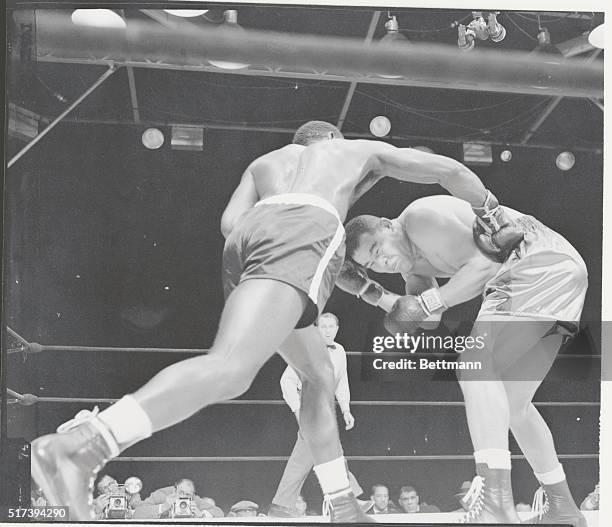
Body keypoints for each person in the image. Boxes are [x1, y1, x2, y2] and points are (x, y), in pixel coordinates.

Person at [30, 120, 514, 522]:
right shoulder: (351, 152)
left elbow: (229, 225)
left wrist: (377, 297)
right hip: (301, 230)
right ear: (334, 139)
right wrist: (489, 213)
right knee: (232, 369)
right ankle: (82, 445)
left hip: (247, 242)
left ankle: (343, 505)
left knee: (317, 375)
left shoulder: (265, 163)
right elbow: (448, 169)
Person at [340, 193, 588, 525]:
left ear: (387, 226)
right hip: (559, 274)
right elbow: (426, 318)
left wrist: (428, 303)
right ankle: (562, 506)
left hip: (531, 265)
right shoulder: (413, 265)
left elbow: (485, 264)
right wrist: (374, 293)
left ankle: (496, 503)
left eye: (377, 250)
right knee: (515, 408)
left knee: (474, 366)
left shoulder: (421, 217)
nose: (381, 262)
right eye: (372, 265)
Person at [269, 312, 363, 517]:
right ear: (317, 329)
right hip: (310, 409)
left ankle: (280, 506)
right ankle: (351, 500)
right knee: (332, 453)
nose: (328, 330)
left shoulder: (339, 351)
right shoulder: (307, 351)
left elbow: (341, 382)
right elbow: (286, 381)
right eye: (324, 327)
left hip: (326, 408)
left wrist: (346, 409)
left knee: (303, 458)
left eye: (331, 326)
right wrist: (297, 411)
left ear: (337, 329)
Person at [131, 478, 222, 519]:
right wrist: (163, 507)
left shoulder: (194, 499)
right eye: (181, 492)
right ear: (174, 489)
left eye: (187, 495)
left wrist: (202, 515)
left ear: (192, 494)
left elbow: (219, 512)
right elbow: (137, 513)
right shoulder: (161, 495)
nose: (183, 497)